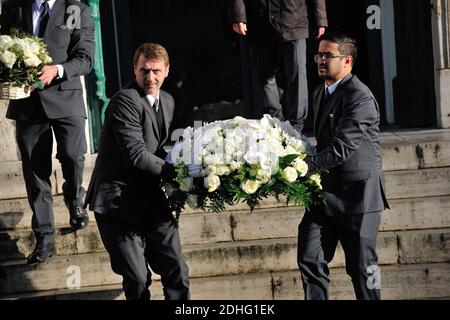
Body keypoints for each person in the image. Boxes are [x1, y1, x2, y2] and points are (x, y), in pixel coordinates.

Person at [84, 43, 190, 300]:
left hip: (151, 200)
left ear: (166, 70)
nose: (150, 78)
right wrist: (177, 174)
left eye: (156, 71)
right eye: (144, 70)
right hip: (117, 203)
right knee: (138, 278)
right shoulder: (125, 100)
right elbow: (136, 154)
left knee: (177, 270)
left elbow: (157, 149)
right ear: (134, 69)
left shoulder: (167, 100)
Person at [0, 0, 95, 264]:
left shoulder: (76, 10)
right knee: (35, 174)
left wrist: (57, 70)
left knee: (73, 155)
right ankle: (44, 237)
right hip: (27, 102)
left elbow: (85, 58)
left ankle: (75, 198)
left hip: (67, 97)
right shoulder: (12, 7)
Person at [298, 31, 390, 300]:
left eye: (328, 55)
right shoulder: (319, 93)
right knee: (309, 257)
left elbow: (342, 147)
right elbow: (324, 142)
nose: (321, 60)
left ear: (347, 61)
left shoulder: (360, 97)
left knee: (363, 269)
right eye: (319, 55)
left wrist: (304, 167)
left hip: (358, 196)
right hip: (324, 194)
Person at [230, 0, 328, 134]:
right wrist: (239, 15)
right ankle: (275, 123)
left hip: (294, 17)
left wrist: (320, 18)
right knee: (265, 75)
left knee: (297, 76)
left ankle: (295, 129)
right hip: (261, 19)